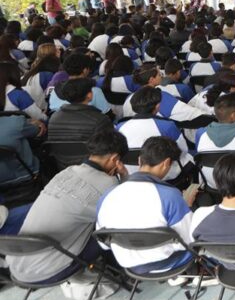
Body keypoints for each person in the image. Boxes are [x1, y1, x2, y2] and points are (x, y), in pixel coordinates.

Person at [6, 129, 128, 285]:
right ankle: (120, 273)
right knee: (110, 231)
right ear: (115, 159)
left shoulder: (65, 173)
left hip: (17, 267)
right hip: (49, 270)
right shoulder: (108, 184)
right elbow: (126, 212)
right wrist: (124, 176)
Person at [96, 137, 196, 272]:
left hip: (130, 265)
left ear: (139, 161)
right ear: (167, 163)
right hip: (169, 261)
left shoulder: (106, 196)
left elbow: (104, 244)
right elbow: (189, 240)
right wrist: (186, 206)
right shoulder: (169, 195)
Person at [116, 86, 194, 186]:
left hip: (129, 174)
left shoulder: (120, 127)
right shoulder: (167, 126)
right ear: (157, 106)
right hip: (164, 176)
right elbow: (182, 151)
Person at [48, 78, 114, 168]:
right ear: (89, 95)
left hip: (62, 167)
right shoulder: (100, 120)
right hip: (93, 169)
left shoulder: (53, 118)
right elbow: (108, 149)